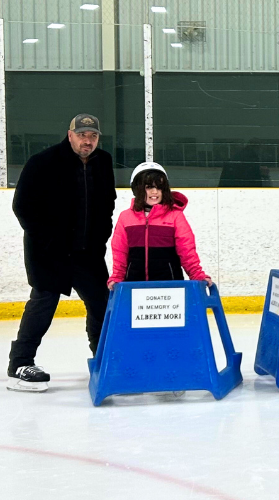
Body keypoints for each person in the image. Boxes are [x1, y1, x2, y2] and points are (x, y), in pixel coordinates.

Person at [8, 113, 115, 392]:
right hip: (49, 252)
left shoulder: (103, 162)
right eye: (81, 135)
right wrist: (48, 241)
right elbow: (22, 206)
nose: (87, 141)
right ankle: (19, 364)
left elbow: (107, 204)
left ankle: (102, 358)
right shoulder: (43, 162)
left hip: (87, 252)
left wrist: (100, 238)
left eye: (92, 136)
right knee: (43, 302)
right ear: (70, 135)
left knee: (101, 304)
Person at [108, 163, 211, 290]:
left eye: (159, 187)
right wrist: (117, 276)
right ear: (137, 189)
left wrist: (197, 274)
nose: (155, 192)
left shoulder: (175, 217)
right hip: (134, 285)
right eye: (149, 187)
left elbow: (187, 250)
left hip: (170, 286)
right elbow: (120, 251)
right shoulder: (126, 217)